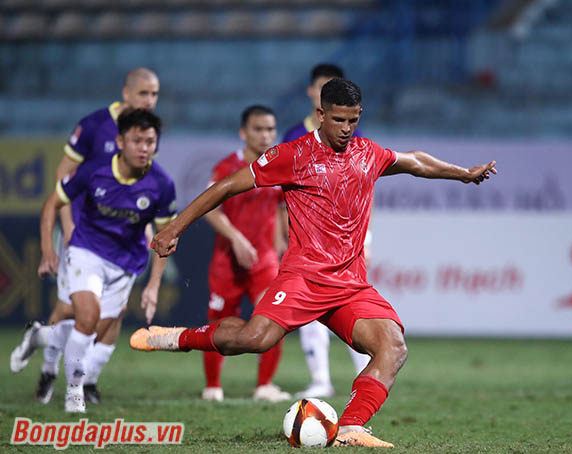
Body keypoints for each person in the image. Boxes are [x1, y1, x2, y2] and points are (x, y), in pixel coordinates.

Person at [131, 79, 496, 447]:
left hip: (350, 284)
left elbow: (414, 161)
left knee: (393, 347)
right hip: (303, 278)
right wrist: (175, 228)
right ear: (320, 114)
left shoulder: (366, 152)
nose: (346, 129)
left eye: (353, 120)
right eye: (338, 120)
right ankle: (177, 337)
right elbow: (227, 186)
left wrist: (463, 174)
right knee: (254, 339)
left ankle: (352, 427)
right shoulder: (293, 155)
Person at [10, 68, 162, 406]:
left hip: (122, 239)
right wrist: (66, 225)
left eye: (154, 95)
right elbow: (63, 175)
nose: (149, 101)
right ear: (126, 92)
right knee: (73, 310)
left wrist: (145, 226)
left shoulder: (146, 136)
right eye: (143, 94)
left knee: (109, 316)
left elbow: (143, 187)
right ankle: (50, 370)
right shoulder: (95, 125)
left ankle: (84, 377)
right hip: (85, 233)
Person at [38, 108, 176, 413]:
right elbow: (53, 202)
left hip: (125, 263)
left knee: (94, 327)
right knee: (85, 316)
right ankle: (73, 391)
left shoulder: (162, 185)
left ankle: (40, 339)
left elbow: (166, 238)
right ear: (120, 141)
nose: (143, 148)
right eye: (137, 140)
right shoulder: (93, 170)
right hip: (85, 249)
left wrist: (153, 286)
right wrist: (49, 248)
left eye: (150, 141)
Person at [283, 62, 370, 398]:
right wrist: (284, 234)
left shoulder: (354, 135)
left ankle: (364, 375)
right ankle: (321, 379)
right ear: (313, 95)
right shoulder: (293, 135)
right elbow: (283, 192)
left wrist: (368, 236)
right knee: (308, 308)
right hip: (308, 238)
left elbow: (365, 187)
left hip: (348, 237)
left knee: (353, 303)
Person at [202, 105, 290, 403]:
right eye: (258, 129)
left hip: (263, 261)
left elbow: (281, 209)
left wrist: (282, 244)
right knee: (219, 323)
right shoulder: (227, 167)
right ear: (244, 132)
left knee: (275, 318)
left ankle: (264, 384)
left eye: (270, 129)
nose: (265, 135)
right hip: (227, 260)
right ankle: (213, 385)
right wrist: (236, 238)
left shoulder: (279, 166)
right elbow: (209, 208)